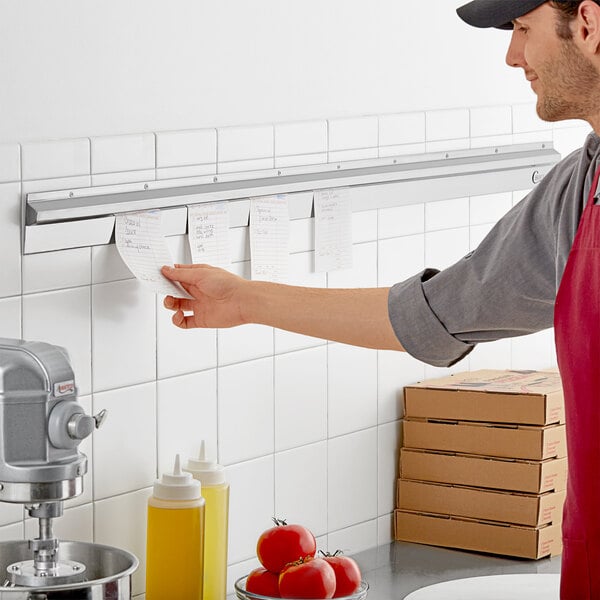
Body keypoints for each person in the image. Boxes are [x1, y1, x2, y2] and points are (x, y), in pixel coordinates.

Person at [162, 1, 600, 597]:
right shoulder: (582, 186)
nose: (512, 55)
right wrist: (245, 300)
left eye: (523, 30)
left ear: (588, 24)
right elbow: (441, 313)